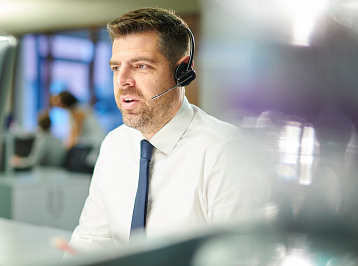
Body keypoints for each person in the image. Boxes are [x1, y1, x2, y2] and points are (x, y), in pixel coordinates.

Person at [66, 7, 263, 255]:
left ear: (181, 72)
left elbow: (238, 258)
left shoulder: (224, 150)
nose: (123, 81)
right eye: (116, 68)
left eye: (141, 66)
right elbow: (92, 237)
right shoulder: (114, 144)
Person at [50, 91, 105, 167]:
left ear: (65, 100)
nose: (55, 104)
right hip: (90, 143)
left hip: (94, 143)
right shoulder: (75, 110)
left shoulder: (78, 111)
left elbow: (75, 133)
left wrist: (65, 149)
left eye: (57, 100)